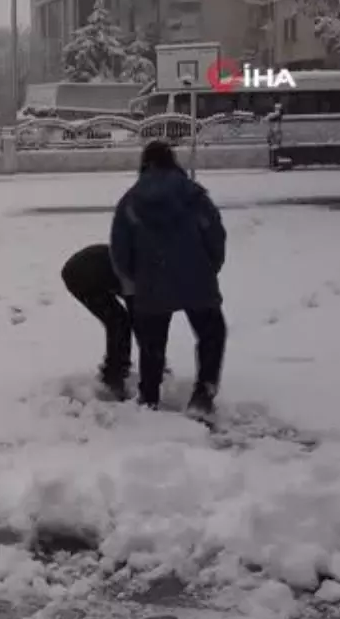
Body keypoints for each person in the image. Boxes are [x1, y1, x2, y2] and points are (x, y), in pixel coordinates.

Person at [110, 140, 228, 416]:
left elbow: (119, 249)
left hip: (151, 281)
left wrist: (135, 278)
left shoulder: (131, 201)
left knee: (152, 341)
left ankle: (149, 397)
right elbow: (215, 237)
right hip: (196, 277)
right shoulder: (194, 196)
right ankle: (203, 392)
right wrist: (209, 268)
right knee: (212, 332)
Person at [61, 243, 133, 401]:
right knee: (119, 322)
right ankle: (113, 378)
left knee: (120, 321)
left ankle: (115, 372)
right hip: (81, 274)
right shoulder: (143, 279)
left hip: (91, 267)